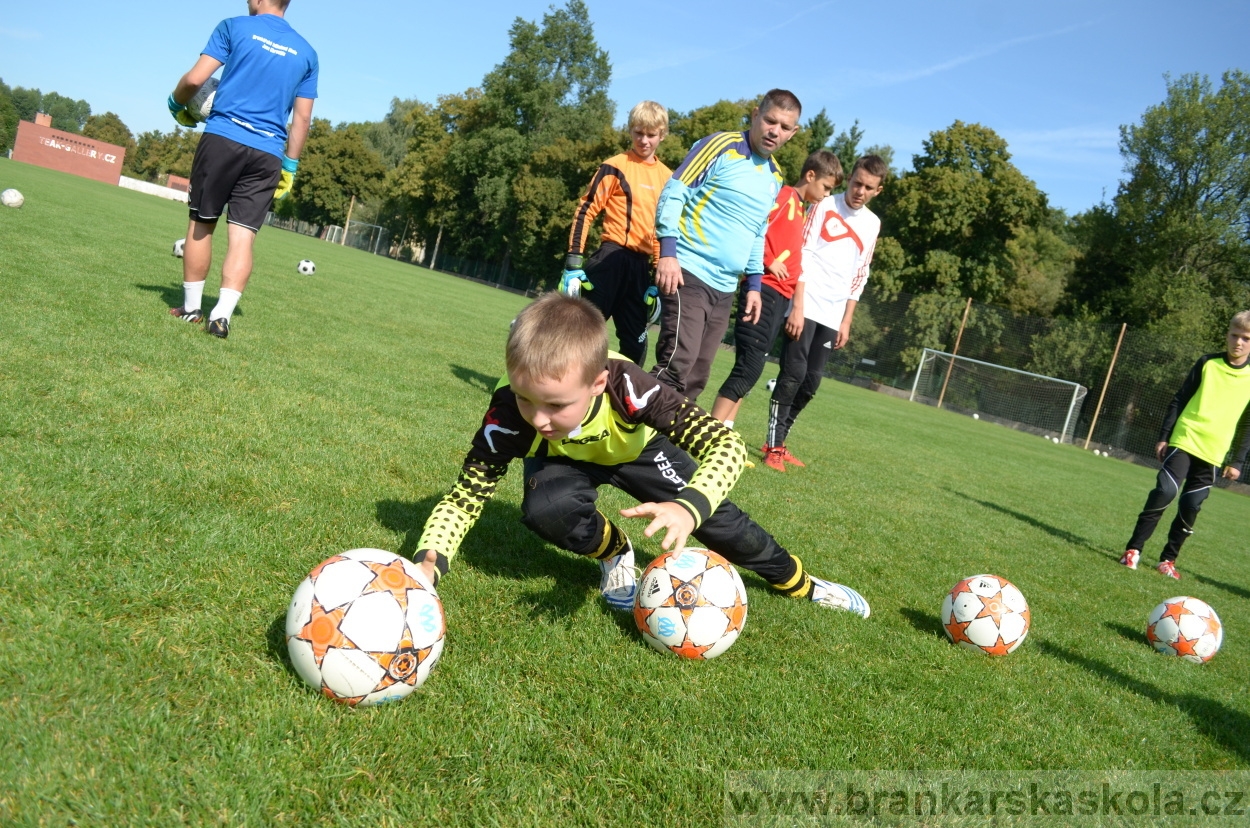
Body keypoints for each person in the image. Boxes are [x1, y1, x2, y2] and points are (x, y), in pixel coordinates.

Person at [411, 293, 870, 619]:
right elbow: (464, 498)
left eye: (555, 405)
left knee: (723, 525)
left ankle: (803, 585)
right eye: (527, 398)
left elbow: (725, 444)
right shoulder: (510, 412)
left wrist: (687, 508)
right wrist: (430, 560)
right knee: (545, 509)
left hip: (639, 450)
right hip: (567, 461)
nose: (539, 418)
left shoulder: (628, 385)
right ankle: (615, 552)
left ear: (596, 384)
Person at [166, 0, 318, 339]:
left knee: (201, 225)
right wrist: (289, 165)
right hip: (268, 154)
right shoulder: (308, 52)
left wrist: (176, 104)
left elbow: (195, 79)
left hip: (223, 139)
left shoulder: (233, 27)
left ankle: (191, 310)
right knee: (242, 236)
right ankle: (221, 317)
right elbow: (302, 118)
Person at [650, 90, 802, 404]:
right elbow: (674, 192)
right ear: (756, 114)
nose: (775, 131)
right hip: (688, 271)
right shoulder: (721, 146)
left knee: (698, 375)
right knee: (678, 361)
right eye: (770, 120)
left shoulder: (775, 176)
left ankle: (663, 446)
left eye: (785, 127)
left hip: (725, 288)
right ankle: (629, 438)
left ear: (793, 132)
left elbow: (757, 232)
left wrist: (755, 285)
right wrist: (667, 252)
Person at [761, 155, 887, 472]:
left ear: (877, 191)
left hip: (833, 317)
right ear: (850, 179)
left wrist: (847, 319)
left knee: (812, 382)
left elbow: (861, 273)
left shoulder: (873, 224)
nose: (859, 190)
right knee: (793, 374)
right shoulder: (825, 206)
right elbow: (802, 252)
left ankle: (781, 439)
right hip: (806, 305)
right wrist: (798, 306)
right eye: (856, 182)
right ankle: (773, 446)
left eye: (867, 187)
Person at [709, 150, 844, 430]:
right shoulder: (783, 197)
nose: (826, 195)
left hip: (779, 298)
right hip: (763, 292)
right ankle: (707, 432)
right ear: (810, 175)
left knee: (751, 368)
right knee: (749, 367)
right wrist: (768, 261)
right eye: (825, 187)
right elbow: (753, 229)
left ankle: (724, 434)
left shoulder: (801, 208)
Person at [1120, 311, 1250, 579]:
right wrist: (1164, 435)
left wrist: (1237, 461)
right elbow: (1179, 399)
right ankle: (1133, 550)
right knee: (1165, 491)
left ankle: (1168, 560)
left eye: (1245, 338)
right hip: (1185, 437)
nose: (1238, 342)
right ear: (1227, 334)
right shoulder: (1208, 363)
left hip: (1214, 451)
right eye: (1234, 335)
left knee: (1191, 504)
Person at [560, 101, 672, 365]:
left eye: (651, 134)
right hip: (609, 260)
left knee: (635, 345)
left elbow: (663, 231)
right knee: (581, 334)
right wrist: (573, 261)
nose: (644, 140)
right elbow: (585, 211)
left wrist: (656, 278)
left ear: (662, 134)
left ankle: (619, 403)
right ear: (630, 131)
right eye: (638, 132)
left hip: (639, 271)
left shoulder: (669, 178)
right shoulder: (615, 166)